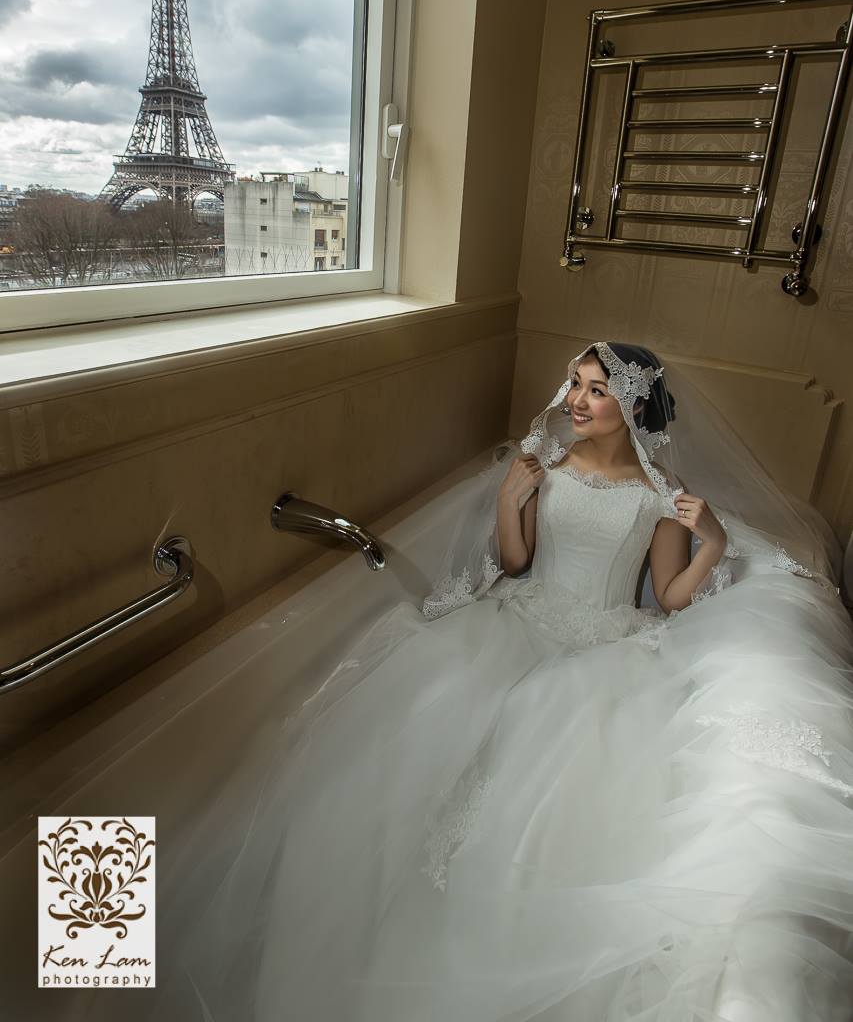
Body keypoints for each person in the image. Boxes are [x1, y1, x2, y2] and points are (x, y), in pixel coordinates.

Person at [99, 343, 853, 1020]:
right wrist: (508, 498)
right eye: (574, 385)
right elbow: (516, 561)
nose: (576, 401)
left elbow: (670, 594)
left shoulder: (660, 496)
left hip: (598, 646)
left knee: (535, 744)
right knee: (404, 726)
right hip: (517, 618)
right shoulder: (545, 469)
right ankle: (112, 954)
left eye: (596, 391)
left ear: (633, 407)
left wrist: (710, 540)